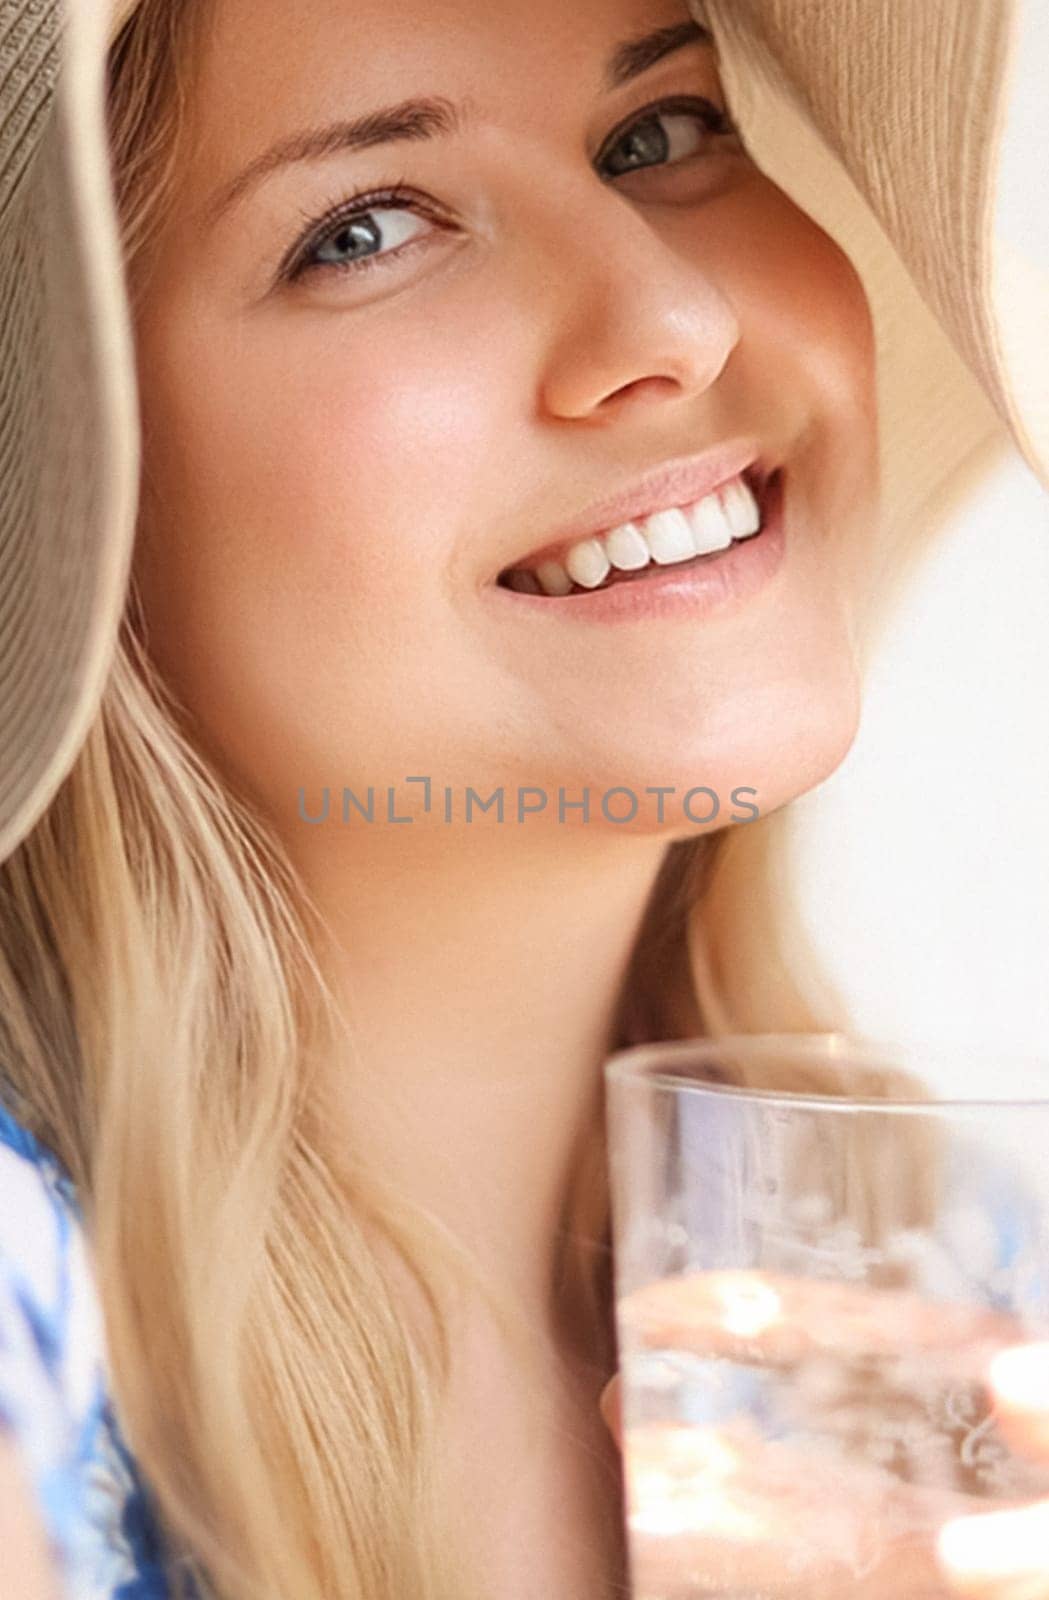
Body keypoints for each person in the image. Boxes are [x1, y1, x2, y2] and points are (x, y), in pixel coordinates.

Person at [0, 0, 1044, 1596]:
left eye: (661, 133)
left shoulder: (961, 1298)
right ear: (71, 482)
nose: (669, 314)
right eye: (363, 227)